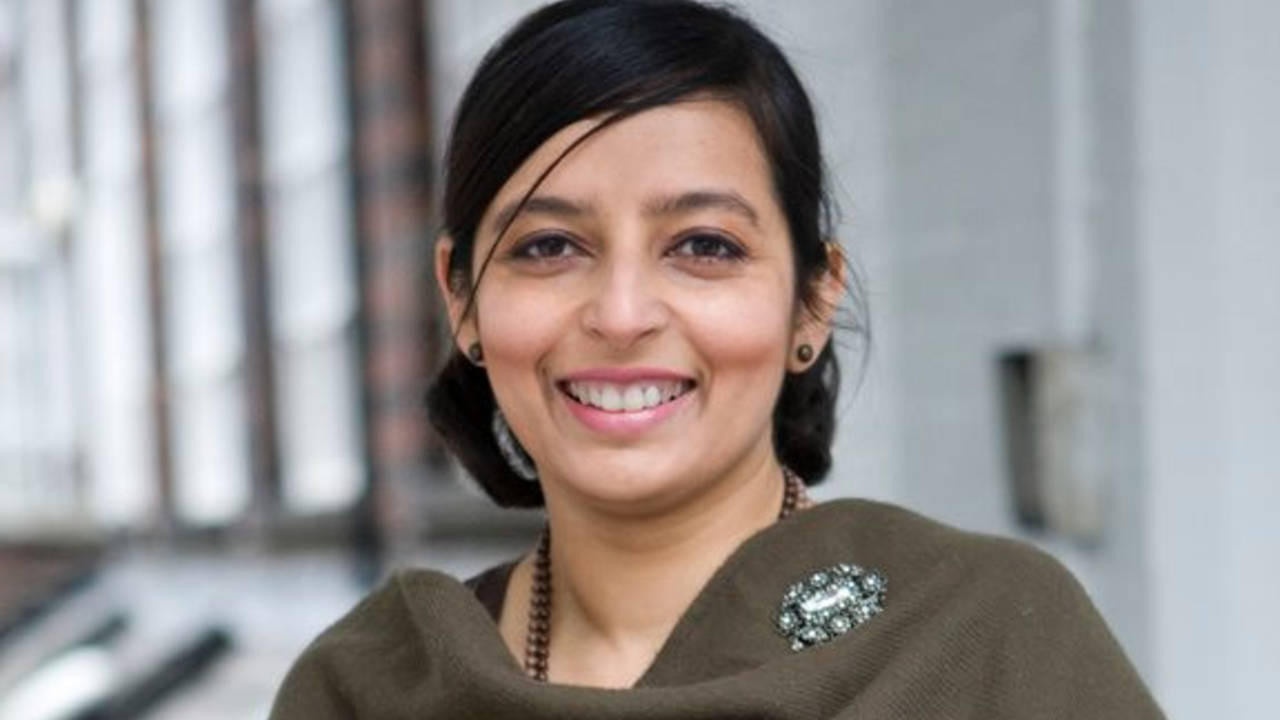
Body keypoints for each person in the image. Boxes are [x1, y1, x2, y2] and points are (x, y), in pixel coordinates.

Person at [270, 1, 1164, 717]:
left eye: (704, 246)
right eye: (549, 247)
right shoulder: (373, 688)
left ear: (812, 297)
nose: (622, 315)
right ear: (461, 297)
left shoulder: (982, 643)